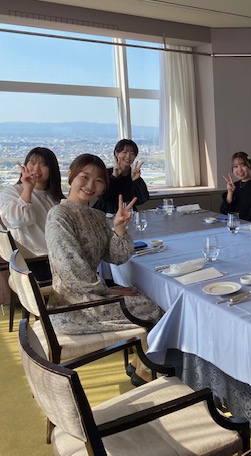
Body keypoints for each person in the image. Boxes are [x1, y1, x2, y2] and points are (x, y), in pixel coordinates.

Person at [45, 154, 162, 383]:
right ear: (70, 176)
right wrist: (106, 291)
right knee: (155, 307)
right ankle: (146, 369)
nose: (90, 185)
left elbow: (117, 257)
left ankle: (141, 361)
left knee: (150, 298)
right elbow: (70, 269)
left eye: (99, 180)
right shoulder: (59, 215)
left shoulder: (96, 216)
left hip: (92, 297)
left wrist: (119, 228)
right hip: (72, 307)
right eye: (84, 177)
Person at [0, 147, 64, 281]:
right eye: (32, 163)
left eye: (44, 164)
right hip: (32, 263)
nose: (36, 169)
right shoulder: (12, 192)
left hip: (60, 260)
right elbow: (17, 220)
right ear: (25, 165)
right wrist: (28, 188)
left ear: (52, 169)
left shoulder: (56, 198)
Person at [93, 140, 149, 214]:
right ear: (116, 153)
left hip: (127, 212)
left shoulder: (133, 174)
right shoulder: (105, 173)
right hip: (105, 212)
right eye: (124, 152)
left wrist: (136, 180)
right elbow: (103, 197)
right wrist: (114, 177)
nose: (128, 156)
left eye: (132, 153)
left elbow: (143, 199)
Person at [220, 151, 251, 223]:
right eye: (235, 166)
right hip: (233, 224)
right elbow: (224, 212)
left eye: (243, 165)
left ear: (249, 166)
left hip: (249, 226)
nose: (239, 169)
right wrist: (230, 192)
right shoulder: (234, 185)